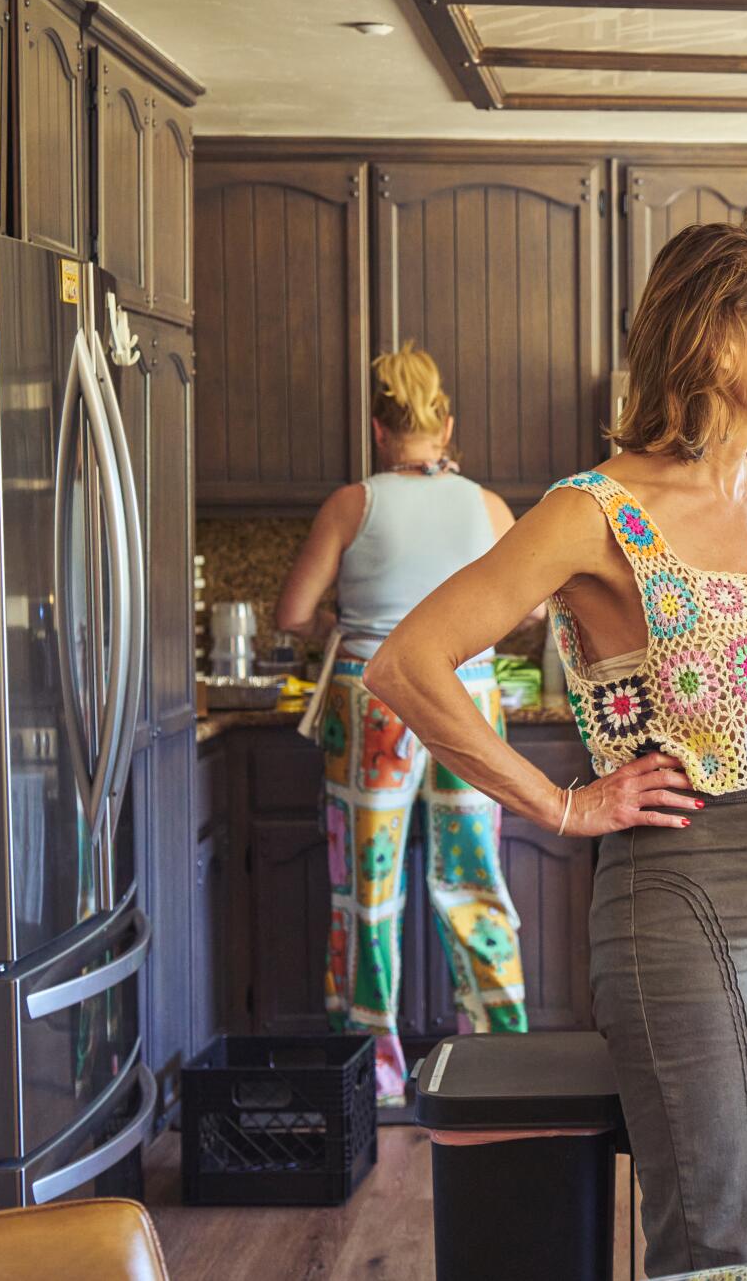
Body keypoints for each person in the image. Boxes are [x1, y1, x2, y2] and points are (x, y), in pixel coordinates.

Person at [363, 220, 747, 1275]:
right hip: (678, 887)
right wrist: (563, 806)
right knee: (711, 1231)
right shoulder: (592, 511)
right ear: (716, 343)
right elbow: (406, 664)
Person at [275, 342, 531, 1105]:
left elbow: (291, 614)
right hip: (464, 694)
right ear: (445, 425)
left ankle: (376, 1075)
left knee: (369, 891)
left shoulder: (354, 503)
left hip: (373, 699)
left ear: (379, 430)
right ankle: (500, 1063)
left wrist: (343, 627)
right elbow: (533, 609)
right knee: (474, 878)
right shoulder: (486, 506)